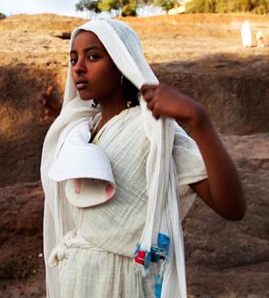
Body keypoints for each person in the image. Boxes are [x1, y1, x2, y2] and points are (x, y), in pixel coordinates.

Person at [39, 19, 245, 298]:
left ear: (122, 64)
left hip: (123, 285)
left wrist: (198, 119)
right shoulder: (84, 128)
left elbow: (231, 207)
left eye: (93, 56)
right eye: (73, 58)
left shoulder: (152, 130)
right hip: (79, 280)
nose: (78, 67)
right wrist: (62, 112)